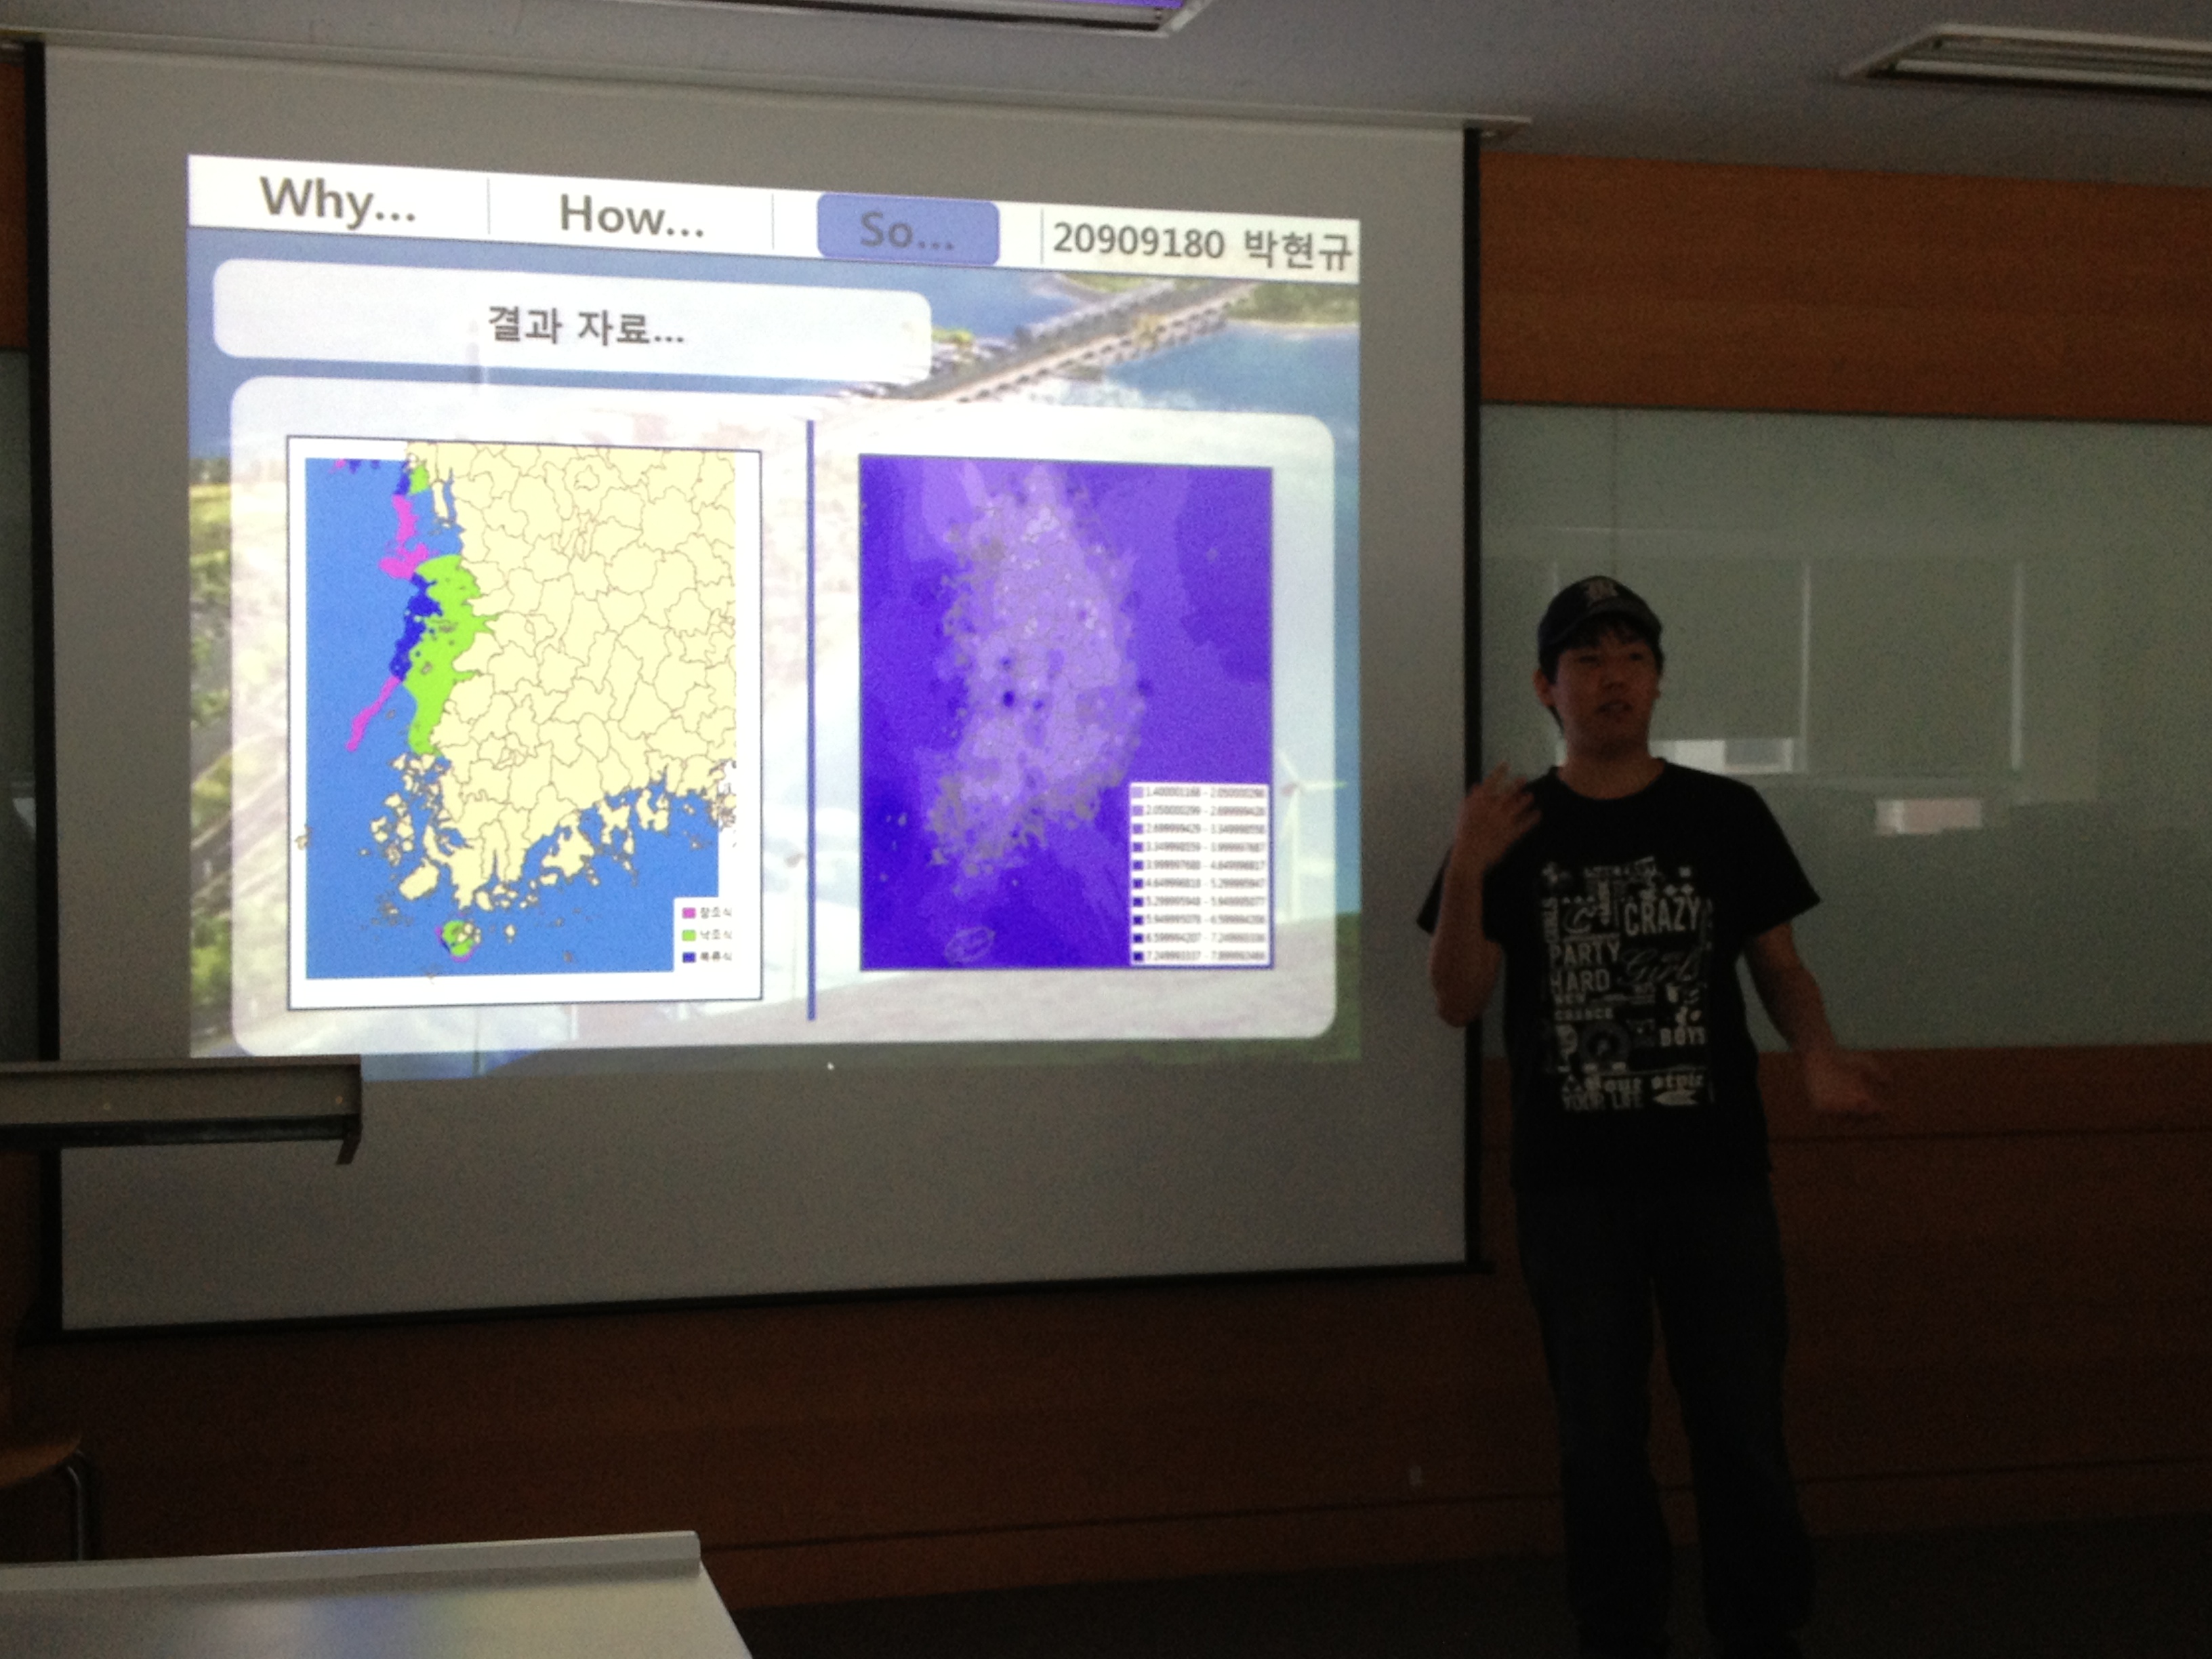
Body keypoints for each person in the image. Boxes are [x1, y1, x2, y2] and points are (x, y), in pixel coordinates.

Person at [1420, 575, 1883, 1659]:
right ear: (1547, 687)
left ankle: (1759, 1629)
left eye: (1632, 657)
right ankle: (1620, 1631)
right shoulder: (1509, 828)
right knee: (1598, 1435)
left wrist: (1817, 1057)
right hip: (1572, 1188)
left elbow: (1781, 969)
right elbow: (1457, 1000)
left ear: (1660, 681)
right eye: (1588, 660)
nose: (1612, 677)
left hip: (1714, 1174)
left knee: (1741, 1425)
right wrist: (1469, 868)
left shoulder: (1725, 815)